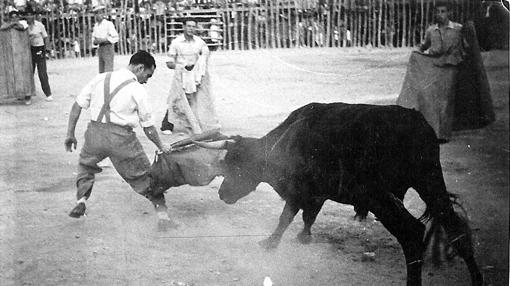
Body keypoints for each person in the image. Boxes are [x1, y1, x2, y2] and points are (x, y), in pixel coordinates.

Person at [64, 51, 175, 228]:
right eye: (147, 75)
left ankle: (82, 201)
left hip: (95, 133)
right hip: (121, 138)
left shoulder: (100, 78)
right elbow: (148, 127)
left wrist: (70, 133)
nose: (146, 80)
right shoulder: (137, 89)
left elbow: (77, 105)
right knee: (146, 177)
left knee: (86, 167)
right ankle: (163, 217)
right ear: (140, 68)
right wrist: (161, 145)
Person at [396, 2, 494, 143]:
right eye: (438, 12)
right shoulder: (431, 30)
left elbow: (467, 48)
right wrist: (417, 52)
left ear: (449, 13)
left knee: (446, 100)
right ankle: (432, 132)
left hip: (450, 67)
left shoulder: (458, 29)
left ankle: (443, 133)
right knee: (430, 99)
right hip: (433, 66)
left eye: (443, 11)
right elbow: (424, 46)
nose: (440, 15)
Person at [160, 18, 220, 135]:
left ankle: (196, 123)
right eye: (189, 26)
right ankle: (167, 125)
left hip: (196, 75)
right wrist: (181, 66)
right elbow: (169, 63)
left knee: (198, 99)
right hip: (182, 74)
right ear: (183, 27)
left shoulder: (200, 42)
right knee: (177, 99)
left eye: (193, 26)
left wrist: (199, 64)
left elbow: (205, 55)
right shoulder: (176, 42)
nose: (191, 29)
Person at [1, 10, 31, 104]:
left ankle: (27, 96)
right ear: (10, 18)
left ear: (18, 17)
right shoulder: (7, 25)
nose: (14, 19)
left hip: (23, 54)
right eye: (12, 17)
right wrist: (12, 24)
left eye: (16, 17)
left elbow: (22, 27)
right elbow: (2, 28)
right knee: (12, 75)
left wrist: (15, 24)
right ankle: (17, 95)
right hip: (11, 55)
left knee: (25, 75)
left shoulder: (23, 23)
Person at [26, 11, 53, 102]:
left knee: (42, 72)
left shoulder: (40, 25)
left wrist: (48, 49)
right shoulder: (24, 26)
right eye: (27, 15)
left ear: (34, 16)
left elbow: (45, 37)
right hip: (29, 50)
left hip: (39, 49)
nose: (29, 17)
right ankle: (28, 95)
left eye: (31, 15)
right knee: (29, 73)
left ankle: (48, 93)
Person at [91, 6, 119, 73]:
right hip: (100, 48)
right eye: (96, 14)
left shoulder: (108, 24)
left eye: (100, 13)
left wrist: (104, 40)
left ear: (103, 14)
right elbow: (94, 39)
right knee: (101, 72)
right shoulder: (96, 26)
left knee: (108, 71)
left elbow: (115, 37)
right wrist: (95, 42)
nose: (98, 15)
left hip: (108, 47)